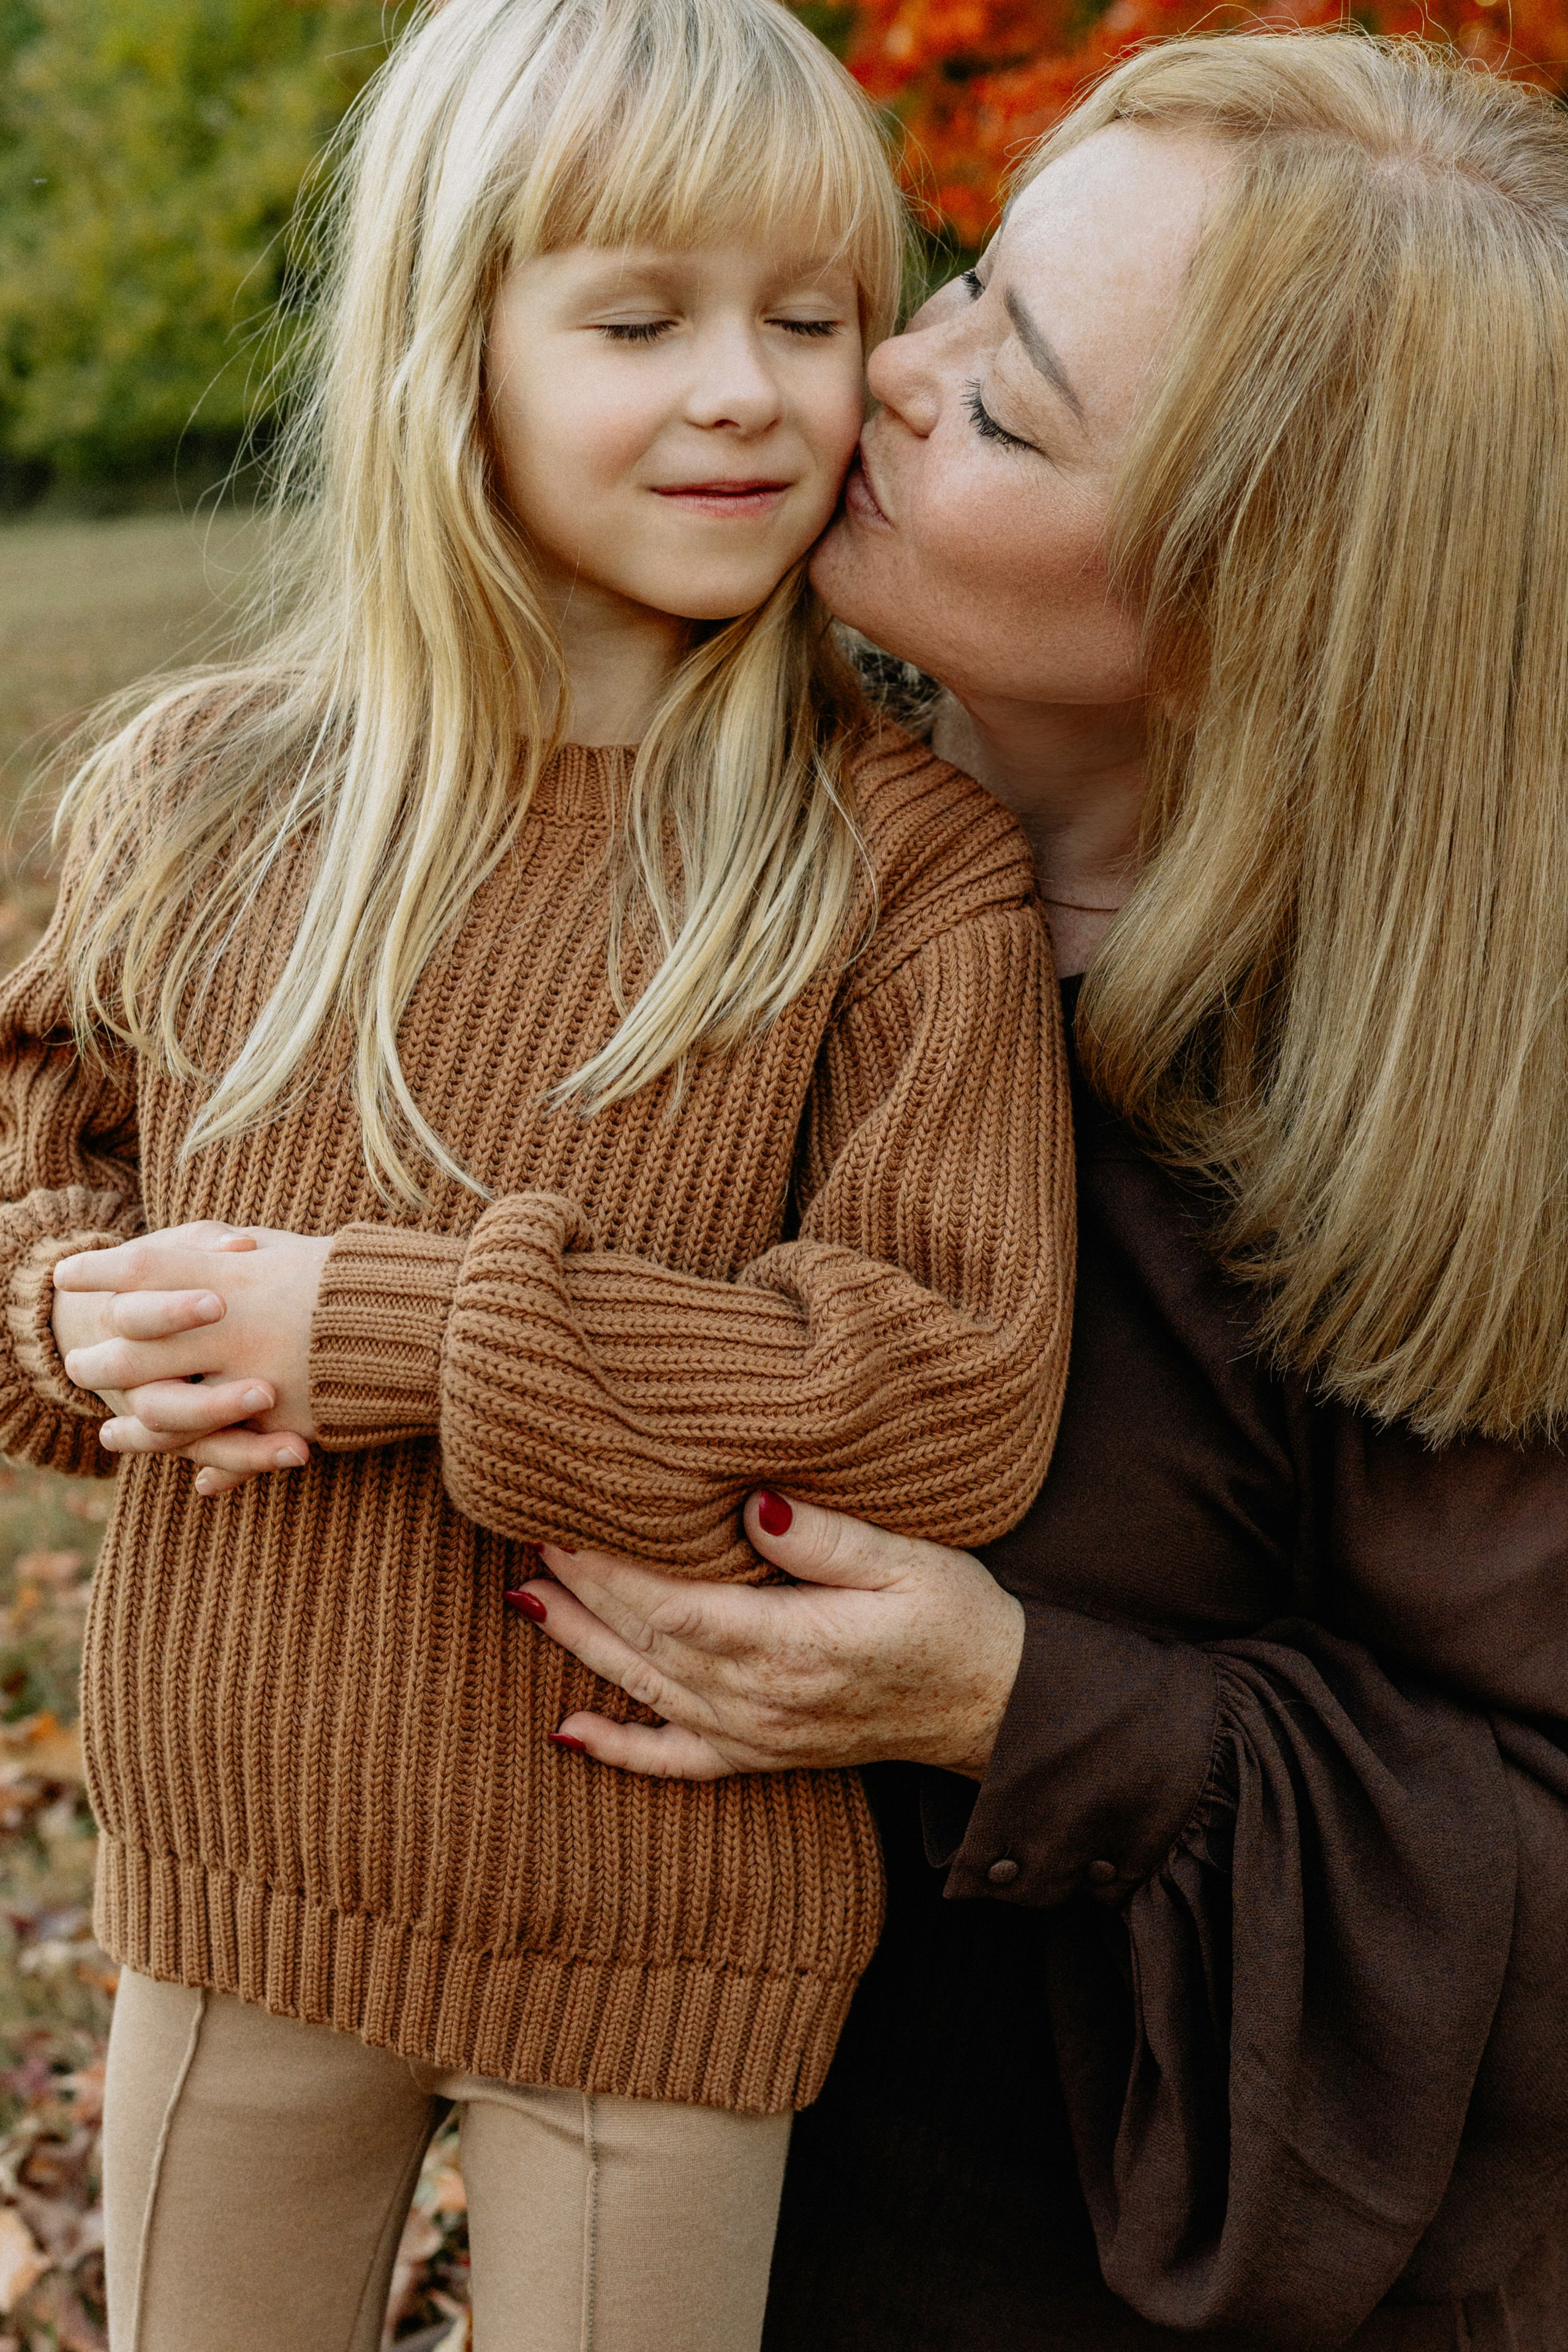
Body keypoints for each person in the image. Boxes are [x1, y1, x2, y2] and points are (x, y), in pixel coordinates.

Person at [0, 1, 1076, 2343]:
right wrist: (69, 1309)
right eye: (640, 318)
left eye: (814, 317)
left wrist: (380, 1329)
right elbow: (42, 1163)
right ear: (442, 347)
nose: (748, 390)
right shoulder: (201, 797)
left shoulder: (900, 870)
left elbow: (948, 1388)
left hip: (663, 1923)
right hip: (245, 1863)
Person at [502, 32, 1568, 2350]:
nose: (880, 366)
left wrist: (1021, 1703)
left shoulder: (1452, 1119)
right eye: (966, 284)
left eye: (1005, 407)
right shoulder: (747, 839)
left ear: (1268, 604)